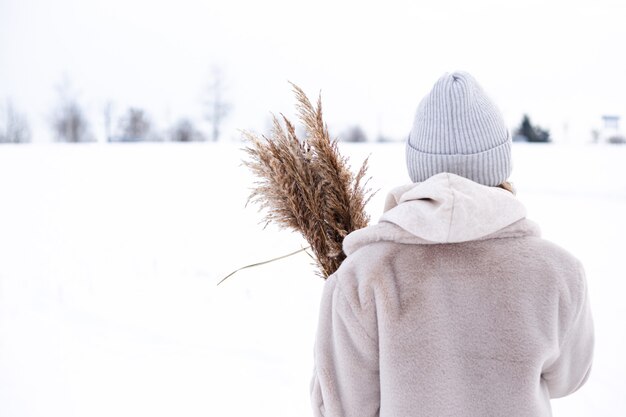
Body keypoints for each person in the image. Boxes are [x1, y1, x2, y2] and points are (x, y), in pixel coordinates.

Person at [310, 71, 594, 417]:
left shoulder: (362, 275)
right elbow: (569, 379)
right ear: (500, 163)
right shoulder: (559, 271)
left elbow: (343, 407)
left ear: (418, 166)